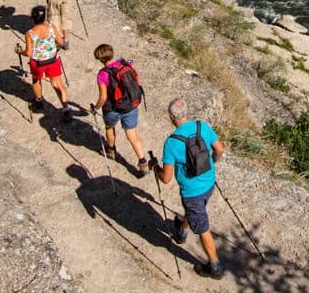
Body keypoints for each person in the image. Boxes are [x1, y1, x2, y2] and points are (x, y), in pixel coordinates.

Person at [151, 97, 227, 279]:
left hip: (192, 191)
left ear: (171, 117)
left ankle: (215, 267)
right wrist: (212, 163)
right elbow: (220, 150)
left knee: (202, 227)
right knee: (195, 211)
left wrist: (155, 168)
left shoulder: (171, 143)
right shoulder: (202, 127)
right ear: (186, 112)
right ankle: (182, 231)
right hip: (209, 182)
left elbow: (166, 178)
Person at [89, 43, 148, 177]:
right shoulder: (125, 64)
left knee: (109, 127)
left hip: (112, 107)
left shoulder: (102, 74)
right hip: (130, 105)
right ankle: (143, 162)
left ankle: (111, 151)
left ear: (100, 60)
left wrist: (95, 107)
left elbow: (103, 97)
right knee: (132, 135)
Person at [17, 5, 72, 118]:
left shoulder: (30, 33)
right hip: (52, 60)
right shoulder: (51, 27)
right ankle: (66, 108)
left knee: (36, 80)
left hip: (38, 62)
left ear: (33, 18)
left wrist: (19, 52)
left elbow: (28, 53)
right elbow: (61, 41)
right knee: (57, 83)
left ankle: (39, 100)